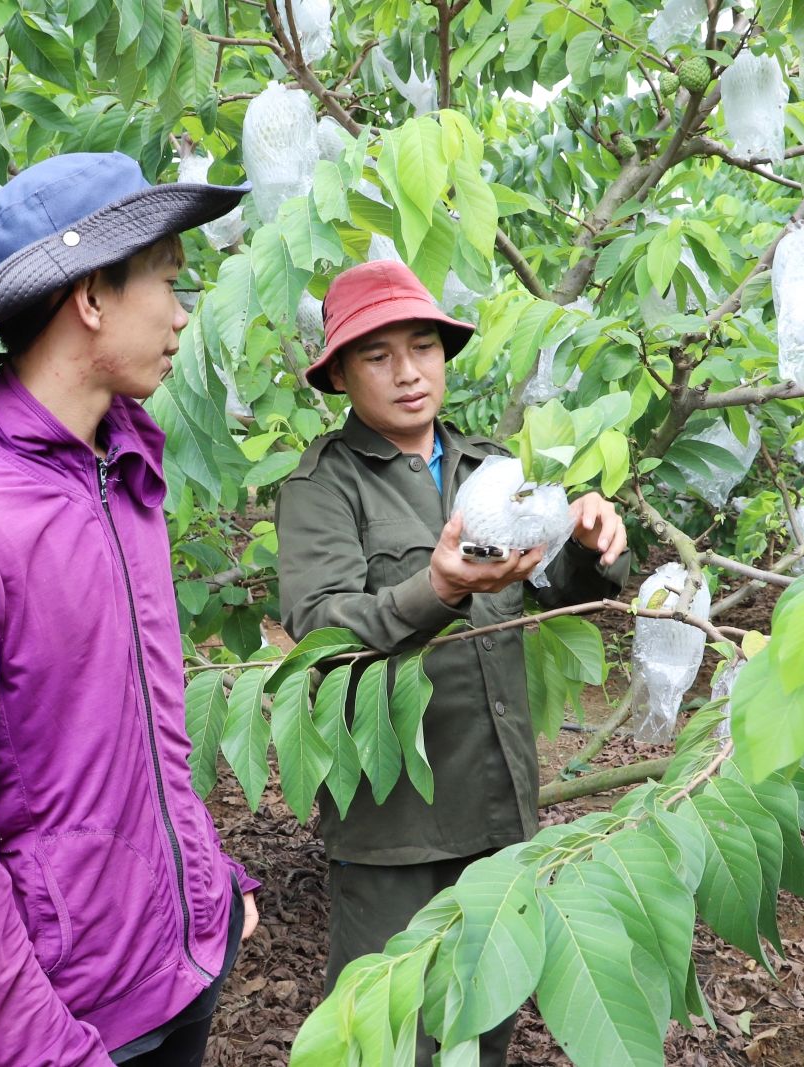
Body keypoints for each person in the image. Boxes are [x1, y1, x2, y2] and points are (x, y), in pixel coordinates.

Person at [0, 152, 260, 1067]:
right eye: (167, 279)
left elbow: (144, 732)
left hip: (180, 968)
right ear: (89, 297)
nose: (182, 313)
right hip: (75, 1028)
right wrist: (39, 1045)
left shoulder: (124, 471)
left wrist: (211, 878)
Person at [276, 260, 632, 1066]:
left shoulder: (496, 469)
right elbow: (324, 628)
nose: (408, 372)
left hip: (500, 803)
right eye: (378, 356)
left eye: (424, 347)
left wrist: (590, 541)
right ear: (340, 374)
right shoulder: (323, 487)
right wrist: (435, 588)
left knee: (484, 1018)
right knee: (387, 1036)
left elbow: (556, 588)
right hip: (395, 824)